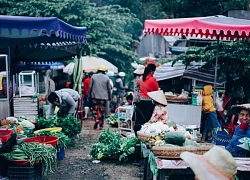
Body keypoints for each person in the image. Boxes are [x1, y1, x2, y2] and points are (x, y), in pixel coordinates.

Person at [133, 63, 159, 134]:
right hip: (149, 103)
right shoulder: (152, 79)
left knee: (140, 119)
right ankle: (146, 134)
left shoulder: (140, 79)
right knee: (148, 120)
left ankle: (138, 133)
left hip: (140, 101)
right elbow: (156, 91)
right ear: (151, 71)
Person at [88, 65, 112, 130]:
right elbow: (109, 89)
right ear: (104, 71)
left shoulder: (93, 76)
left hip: (95, 96)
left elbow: (90, 87)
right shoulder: (107, 78)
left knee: (95, 110)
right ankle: (101, 125)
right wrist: (110, 97)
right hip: (103, 98)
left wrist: (89, 96)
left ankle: (96, 119)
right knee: (102, 111)